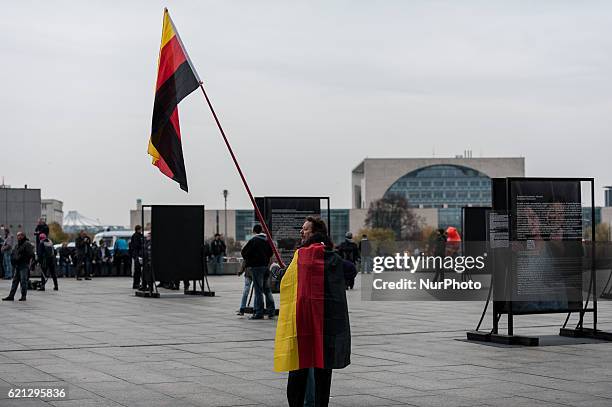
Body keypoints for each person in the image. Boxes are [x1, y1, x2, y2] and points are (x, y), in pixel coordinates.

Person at [274, 217, 351, 407]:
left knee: (299, 368)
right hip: (327, 323)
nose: (302, 232)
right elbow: (350, 271)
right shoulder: (332, 257)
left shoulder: (301, 256)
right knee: (323, 369)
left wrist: (276, 271)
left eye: (305, 229)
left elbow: (286, 280)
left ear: (315, 232)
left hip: (303, 322)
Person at [241, 225, 274, 319]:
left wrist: (251, 260)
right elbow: (271, 253)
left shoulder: (253, 240)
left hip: (256, 268)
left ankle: (259, 313)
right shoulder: (267, 240)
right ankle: (271, 311)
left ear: (254, 231)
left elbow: (244, 252)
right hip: (265, 267)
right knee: (267, 290)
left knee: (258, 291)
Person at [2, 231, 35, 301]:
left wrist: (23, 257)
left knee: (23, 281)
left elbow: (31, 254)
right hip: (17, 265)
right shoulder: (17, 245)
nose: (19, 237)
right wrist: (14, 260)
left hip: (24, 265)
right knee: (15, 281)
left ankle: (23, 296)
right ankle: (11, 296)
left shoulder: (27, 244)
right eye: (18, 236)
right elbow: (13, 253)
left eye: (20, 235)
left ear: (23, 236)